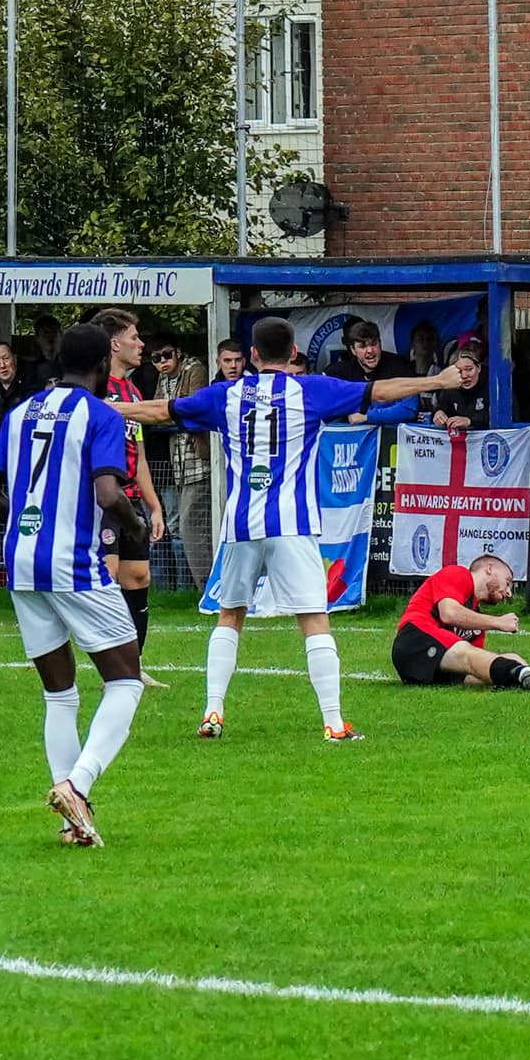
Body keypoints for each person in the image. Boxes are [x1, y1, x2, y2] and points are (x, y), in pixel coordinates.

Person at [109, 316, 461, 741]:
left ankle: (212, 712)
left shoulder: (226, 395)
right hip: (291, 523)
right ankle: (333, 723)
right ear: (293, 353)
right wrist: (437, 379)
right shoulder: (309, 390)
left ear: (253, 356)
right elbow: (380, 390)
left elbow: (159, 411)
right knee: (314, 619)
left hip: (241, 522)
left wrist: (108, 408)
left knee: (229, 616)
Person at [0, 321, 149, 848]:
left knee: (60, 694)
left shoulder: (20, 412)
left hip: (21, 560)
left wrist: (23, 523)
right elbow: (108, 493)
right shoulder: (101, 414)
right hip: (73, 562)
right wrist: (136, 526)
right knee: (125, 680)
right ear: (101, 367)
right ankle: (78, 783)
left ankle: (75, 820)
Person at [94, 309, 169, 689]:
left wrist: (154, 506)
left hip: (132, 499)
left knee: (138, 576)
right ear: (114, 344)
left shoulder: (133, 393)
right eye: (134, 338)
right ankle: (109, 663)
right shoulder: (92, 388)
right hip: (101, 498)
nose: (141, 345)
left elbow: (137, 456)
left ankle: (134, 663)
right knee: (106, 576)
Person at [390, 555, 530, 689]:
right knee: (466, 653)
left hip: (428, 669)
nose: (508, 593)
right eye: (507, 583)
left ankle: (524, 675)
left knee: (511, 658)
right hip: (413, 640)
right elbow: (449, 613)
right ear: (489, 569)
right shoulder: (457, 574)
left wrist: (506, 670)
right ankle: (527, 675)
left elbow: (471, 672)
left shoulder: (474, 621)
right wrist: (498, 622)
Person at [160, 352, 214, 589]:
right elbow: (159, 414)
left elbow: (194, 408)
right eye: (155, 357)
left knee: (192, 526)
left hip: (200, 464)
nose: (162, 361)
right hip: (179, 465)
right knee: (186, 527)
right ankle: (205, 588)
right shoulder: (163, 379)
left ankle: (208, 587)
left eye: (166, 354)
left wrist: (175, 413)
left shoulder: (195, 369)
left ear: (178, 353)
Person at [322, 317, 416, 383]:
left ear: (380, 343)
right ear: (353, 349)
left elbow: (411, 403)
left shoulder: (399, 366)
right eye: (362, 346)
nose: (370, 350)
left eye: (374, 344)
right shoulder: (338, 372)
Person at [431, 341, 488, 431]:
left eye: (469, 369)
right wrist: (438, 413)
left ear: (479, 368)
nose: (464, 375)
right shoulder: (450, 387)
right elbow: (440, 406)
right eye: (459, 371)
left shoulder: (491, 385)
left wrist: (470, 421)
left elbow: (503, 415)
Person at [25, 314, 62, 388]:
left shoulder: (70, 365)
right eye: (46, 332)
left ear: (61, 335)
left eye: (54, 331)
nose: (50, 336)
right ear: (37, 339)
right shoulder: (29, 368)